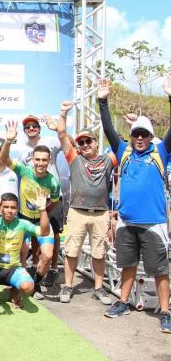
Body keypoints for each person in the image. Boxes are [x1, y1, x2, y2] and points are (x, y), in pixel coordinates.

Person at [98, 77, 171, 333]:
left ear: (151, 136)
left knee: (160, 270)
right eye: (136, 134)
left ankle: (165, 311)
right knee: (127, 265)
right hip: (127, 222)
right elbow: (108, 129)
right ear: (131, 136)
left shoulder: (160, 153)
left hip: (154, 223)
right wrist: (102, 101)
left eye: (144, 134)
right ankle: (122, 302)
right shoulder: (124, 152)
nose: (140, 137)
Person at [56, 100, 116, 305]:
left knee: (100, 252)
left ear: (95, 142)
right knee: (71, 250)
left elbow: (122, 148)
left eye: (88, 141)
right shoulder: (75, 158)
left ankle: (98, 288)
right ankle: (67, 285)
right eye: (81, 142)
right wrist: (63, 113)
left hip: (101, 213)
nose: (84, 145)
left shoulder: (108, 160)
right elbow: (62, 135)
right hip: (77, 212)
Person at [0, 120, 60, 300]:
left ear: (49, 161)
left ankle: (35, 283)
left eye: (44, 160)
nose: (40, 163)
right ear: (32, 159)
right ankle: (15, 284)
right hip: (23, 219)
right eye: (37, 159)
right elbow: (3, 159)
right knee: (20, 254)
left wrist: (44, 214)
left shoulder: (53, 182)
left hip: (41, 220)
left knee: (47, 256)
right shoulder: (24, 171)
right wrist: (8, 141)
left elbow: (54, 203)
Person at [0, 188, 50, 308]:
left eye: (13, 207)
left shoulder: (23, 224)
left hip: (14, 269)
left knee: (28, 288)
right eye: (5, 207)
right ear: (0, 208)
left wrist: (42, 209)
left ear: (17, 210)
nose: (9, 210)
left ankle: (13, 289)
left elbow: (45, 232)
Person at [16, 113, 65, 287]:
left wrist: (59, 125)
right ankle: (33, 267)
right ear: (24, 130)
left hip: (51, 198)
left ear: (39, 128)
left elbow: (67, 141)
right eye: (28, 127)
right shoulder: (22, 149)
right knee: (32, 239)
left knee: (54, 233)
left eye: (34, 126)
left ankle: (53, 268)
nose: (31, 129)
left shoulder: (51, 141)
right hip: (30, 203)